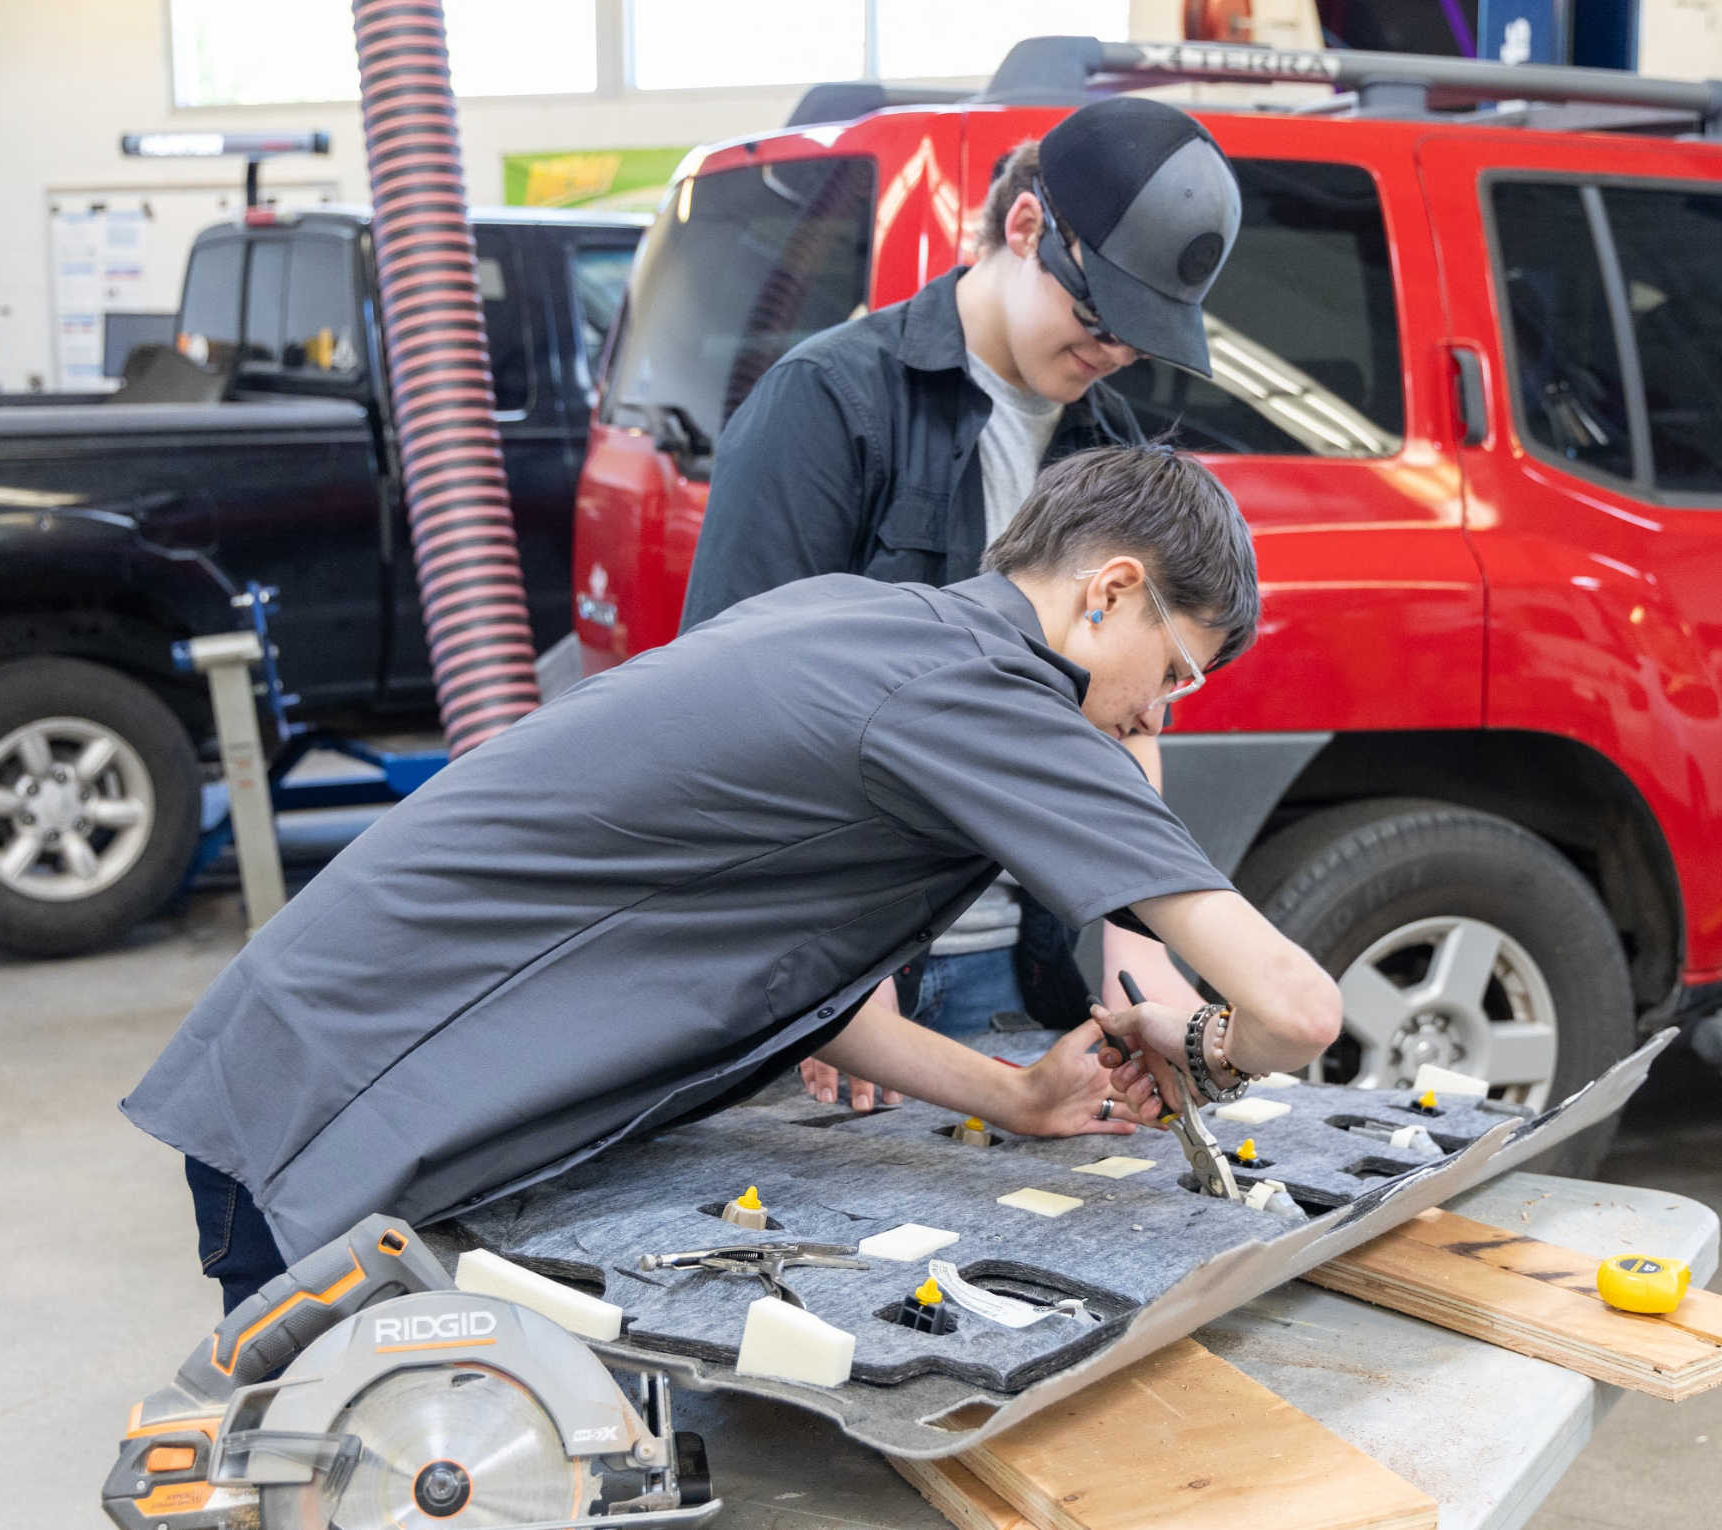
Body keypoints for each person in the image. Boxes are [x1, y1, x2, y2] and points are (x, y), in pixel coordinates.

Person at [126, 445, 1343, 1311]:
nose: (1156, 718)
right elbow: (1299, 1012)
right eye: (1174, 674)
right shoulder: (981, 698)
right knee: (357, 1472)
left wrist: (1016, 1097)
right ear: (1112, 588)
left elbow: (794, 971)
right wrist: (1207, 1038)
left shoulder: (865, 618)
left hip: (308, 1055)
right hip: (336, 1108)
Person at [679, 95, 1244, 1072]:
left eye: (1139, 337)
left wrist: (1136, 939)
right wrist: (826, 975)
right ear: (1025, 226)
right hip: (828, 984)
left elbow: (1131, 722)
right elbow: (731, 721)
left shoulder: (1105, 447)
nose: (1113, 352)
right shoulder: (830, 406)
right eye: (1101, 314)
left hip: (1009, 970)